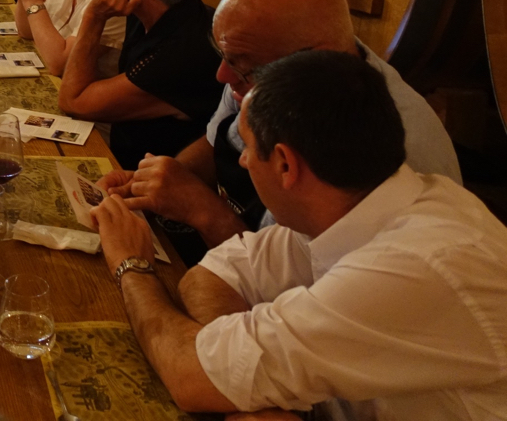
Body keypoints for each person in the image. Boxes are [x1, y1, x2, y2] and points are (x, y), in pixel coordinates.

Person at [92, 50, 507, 419]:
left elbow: (189, 375)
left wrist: (132, 265)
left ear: (286, 165)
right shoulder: (348, 205)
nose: (243, 161)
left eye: (248, 147)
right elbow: (216, 273)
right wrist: (244, 387)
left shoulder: (418, 264)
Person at [97, 0, 462, 254]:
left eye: (240, 64)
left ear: (316, 58)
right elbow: (214, 143)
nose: (223, 75)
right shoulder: (266, 62)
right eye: (224, 56)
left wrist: (203, 211)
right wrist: (158, 182)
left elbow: (293, 287)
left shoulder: (381, 146)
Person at [59, 0, 220, 170]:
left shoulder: (183, 52)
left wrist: (93, 18)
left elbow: (74, 101)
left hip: (145, 180)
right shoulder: (147, 11)